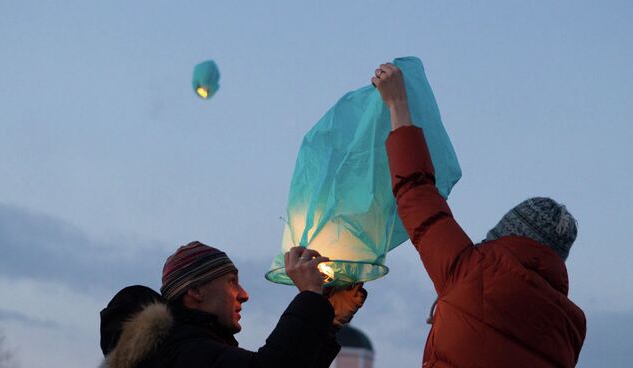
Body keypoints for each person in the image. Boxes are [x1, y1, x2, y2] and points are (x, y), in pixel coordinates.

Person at [372, 63, 586, 367]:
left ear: (507, 234)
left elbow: (416, 192)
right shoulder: (569, 330)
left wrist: (397, 104)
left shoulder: (472, 271)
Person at [99, 241, 366, 368]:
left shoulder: (184, 349)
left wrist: (326, 322)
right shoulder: (180, 353)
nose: (244, 294)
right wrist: (309, 296)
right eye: (231, 281)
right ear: (195, 290)